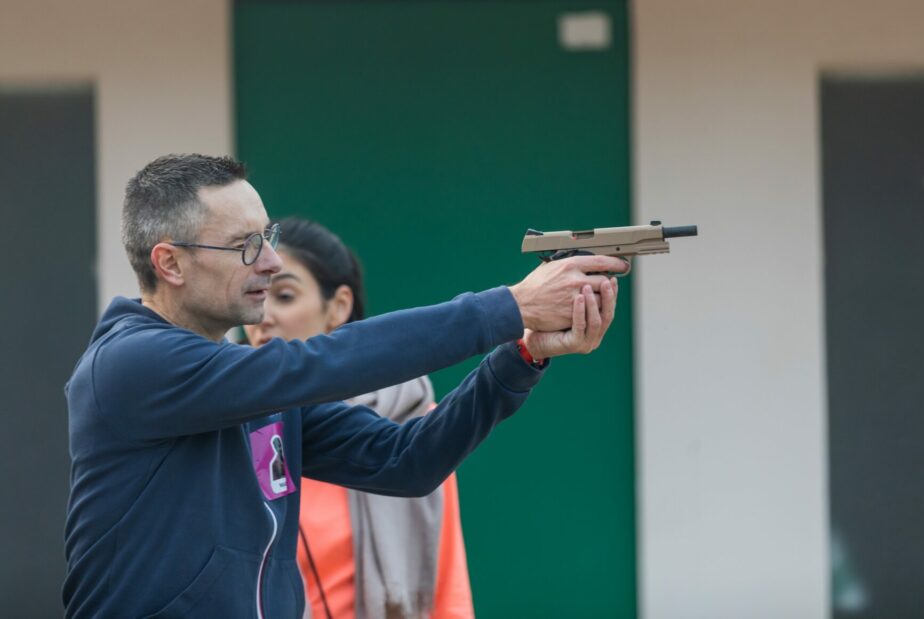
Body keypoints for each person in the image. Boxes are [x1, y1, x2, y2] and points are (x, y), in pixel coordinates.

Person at [63, 154, 623, 618]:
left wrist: (521, 352)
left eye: (268, 237)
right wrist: (509, 304)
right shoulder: (132, 362)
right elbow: (317, 364)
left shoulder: (243, 382)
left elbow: (406, 460)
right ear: (170, 264)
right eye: (245, 245)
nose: (271, 262)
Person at [244, 217, 475, 619]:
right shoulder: (239, 422)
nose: (263, 317)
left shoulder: (410, 421)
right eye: (256, 295)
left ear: (339, 307)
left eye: (283, 296)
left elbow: (447, 585)